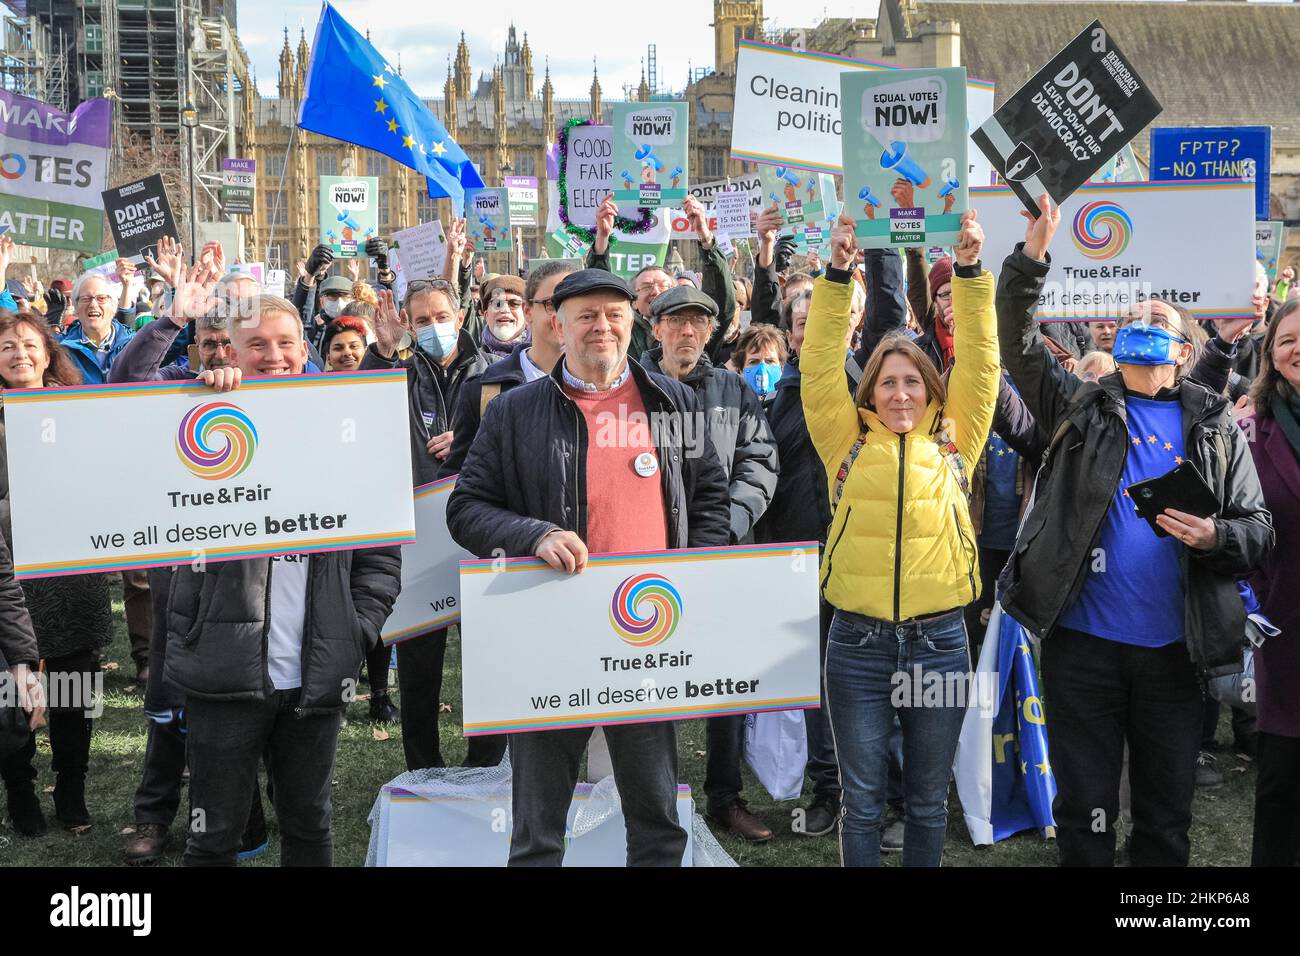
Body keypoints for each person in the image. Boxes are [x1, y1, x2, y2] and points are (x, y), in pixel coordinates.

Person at [997, 195, 1274, 868]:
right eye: (1131, 318)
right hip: (1084, 653)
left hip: (1175, 657)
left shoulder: (1213, 425)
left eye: (1156, 321)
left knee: (1163, 824)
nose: (1139, 324)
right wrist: (1033, 254)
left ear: (1184, 349)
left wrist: (1213, 538)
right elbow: (1017, 340)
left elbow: (1258, 530)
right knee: (1086, 823)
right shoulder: (1080, 403)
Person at [446, 268, 730, 866]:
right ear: (557, 323)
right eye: (586, 316)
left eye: (613, 315)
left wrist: (695, 577)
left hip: (648, 636)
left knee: (657, 821)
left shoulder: (674, 402)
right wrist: (533, 533)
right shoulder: (514, 412)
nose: (601, 326)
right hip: (551, 636)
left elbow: (709, 501)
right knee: (538, 830)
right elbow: (465, 509)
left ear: (633, 323)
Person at [166, 295, 401, 866]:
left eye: (285, 343)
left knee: (309, 825)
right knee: (212, 833)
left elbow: (381, 554)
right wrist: (195, 399)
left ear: (305, 348)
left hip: (317, 672)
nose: (273, 356)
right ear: (231, 351)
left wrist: (356, 629)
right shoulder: (191, 418)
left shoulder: (345, 429)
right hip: (222, 669)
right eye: (256, 345)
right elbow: (120, 405)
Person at [801, 210, 997, 867]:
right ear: (871, 391)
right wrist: (836, 274)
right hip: (855, 643)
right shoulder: (845, 440)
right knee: (861, 804)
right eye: (888, 381)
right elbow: (819, 365)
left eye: (913, 380)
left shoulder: (956, 438)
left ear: (932, 388)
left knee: (923, 802)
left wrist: (969, 274)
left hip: (941, 640)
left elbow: (984, 364)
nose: (901, 392)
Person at [642, 282, 779, 842]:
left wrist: (724, 530)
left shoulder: (732, 390)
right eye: (676, 322)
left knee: (724, 682)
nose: (687, 332)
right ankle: (653, 800)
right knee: (648, 684)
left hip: (720, 561)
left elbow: (759, 463)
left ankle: (725, 797)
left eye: (698, 322)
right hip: (645, 561)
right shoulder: (632, 388)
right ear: (656, 329)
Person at [362, 276, 491, 770]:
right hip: (415, 536)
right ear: (410, 327)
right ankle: (423, 765)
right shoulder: (399, 371)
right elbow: (363, 410)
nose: (434, 327)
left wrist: (468, 438)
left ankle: (486, 761)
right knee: (418, 661)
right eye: (422, 321)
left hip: (478, 531)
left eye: (441, 317)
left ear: (460, 317)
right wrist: (382, 353)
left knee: (485, 654)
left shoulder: (492, 374)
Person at [0, 311, 111, 834]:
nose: (19, 354)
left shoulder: (77, 410)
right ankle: (20, 792)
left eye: (28, 344)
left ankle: (71, 789)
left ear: (48, 354)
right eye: (6, 347)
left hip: (68, 574)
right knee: (9, 695)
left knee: (73, 686)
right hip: (8, 574)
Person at [1240, 300, 1300, 866]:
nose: (1297, 348)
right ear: (1271, 354)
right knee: (1281, 780)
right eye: (1286, 340)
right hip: (1286, 624)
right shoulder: (1251, 428)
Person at [587, 194, 736, 365]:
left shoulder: (695, 330)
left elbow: (721, 301)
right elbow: (599, 293)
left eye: (663, 286)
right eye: (647, 287)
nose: (656, 292)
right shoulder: (622, 329)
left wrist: (704, 235)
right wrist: (602, 238)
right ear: (633, 301)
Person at [58, 267, 137, 384]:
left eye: (101, 298)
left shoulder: (135, 345)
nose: (93, 304)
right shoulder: (60, 349)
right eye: (86, 299)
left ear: (114, 307)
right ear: (76, 308)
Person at [733, 324, 788, 406]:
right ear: (741, 370)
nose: (762, 369)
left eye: (769, 361)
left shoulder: (793, 407)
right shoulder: (731, 410)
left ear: (781, 367)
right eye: (754, 362)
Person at [477, 274, 529, 359]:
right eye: (497, 304)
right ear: (486, 315)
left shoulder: (542, 358)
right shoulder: (473, 362)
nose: (505, 310)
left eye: (514, 304)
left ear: (527, 313)